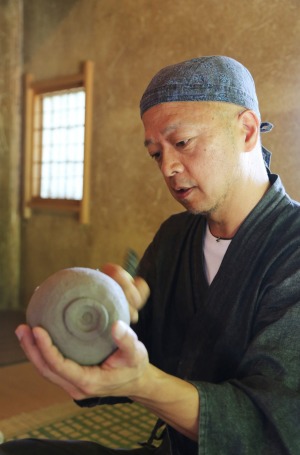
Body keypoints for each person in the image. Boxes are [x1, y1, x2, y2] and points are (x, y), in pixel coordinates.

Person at [1, 55, 300, 455]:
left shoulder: (292, 247)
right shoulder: (176, 237)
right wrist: (100, 324)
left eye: (181, 142)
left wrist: (141, 383)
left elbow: (277, 429)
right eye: (156, 153)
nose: (168, 167)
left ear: (246, 130)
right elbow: (127, 355)